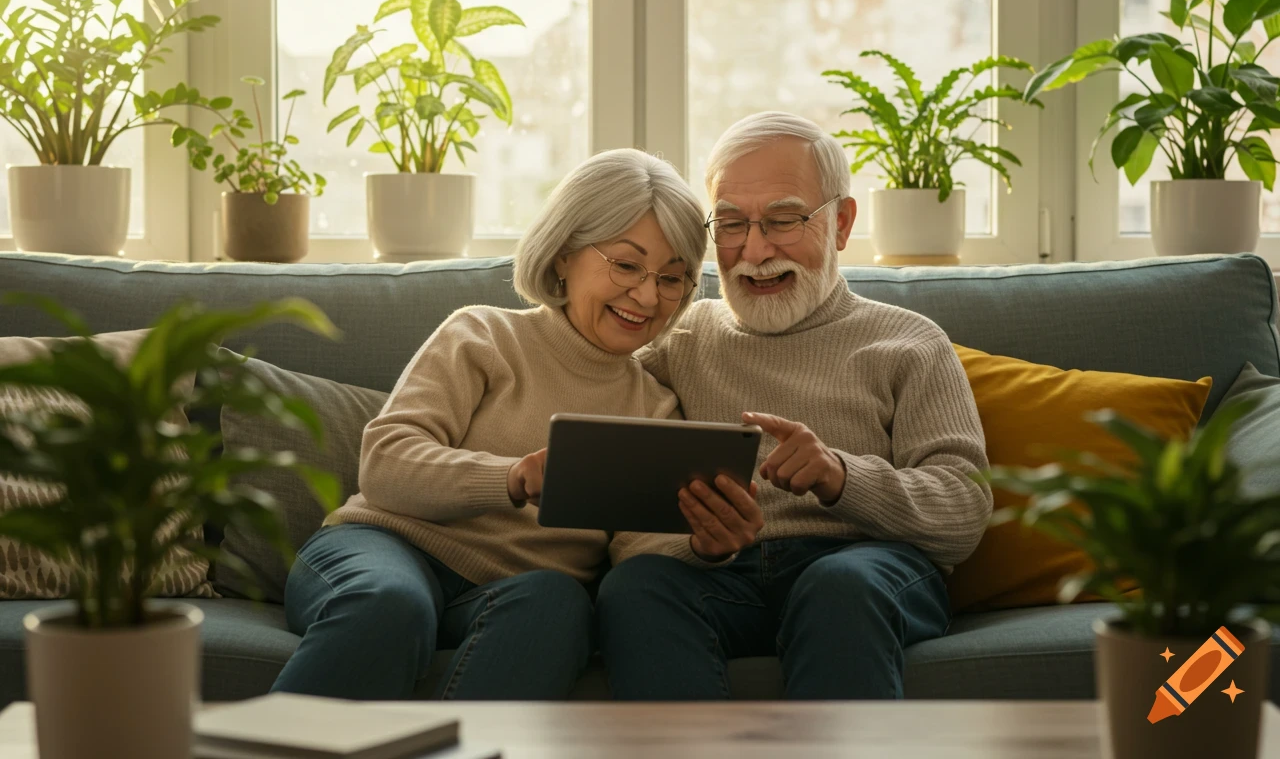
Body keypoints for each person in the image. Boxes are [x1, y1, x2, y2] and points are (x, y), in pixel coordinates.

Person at [271, 148, 715, 700]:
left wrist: (705, 544)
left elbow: (638, 558)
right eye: (626, 265)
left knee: (560, 605)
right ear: (563, 255)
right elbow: (384, 464)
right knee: (392, 603)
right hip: (384, 547)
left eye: (672, 278)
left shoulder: (655, 408)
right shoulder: (483, 335)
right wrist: (512, 478)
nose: (648, 296)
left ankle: (471, 739)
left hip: (517, 593)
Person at [601, 111, 992, 700]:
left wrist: (842, 476)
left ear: (842, 223)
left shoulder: (911, 341)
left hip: (864, 567)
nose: (755, 250)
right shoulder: (679, 339)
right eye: (731, 224)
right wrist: (698, 541)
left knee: (839, 586)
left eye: (783, 220)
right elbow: (607, 457)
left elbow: (964, 509)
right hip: (723, 574)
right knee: (635, 587)